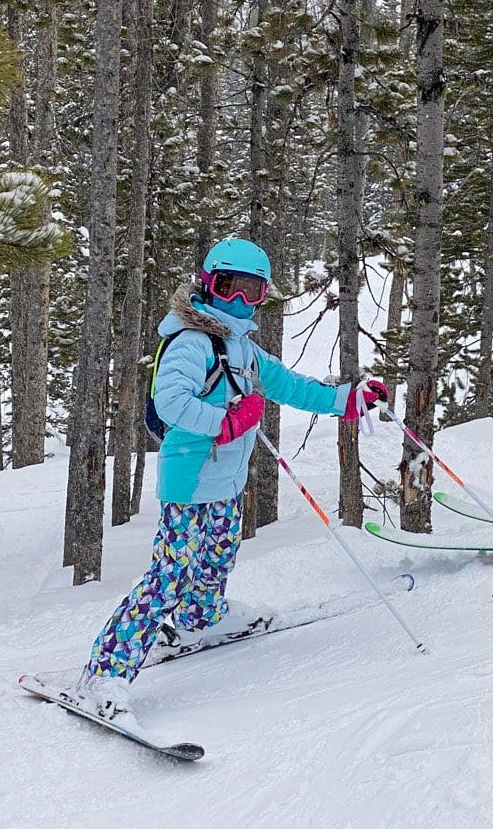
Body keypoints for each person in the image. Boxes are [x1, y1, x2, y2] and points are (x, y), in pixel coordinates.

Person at [76, 237, 388, 719]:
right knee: (170, 576)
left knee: (218, 559)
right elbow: (170, 403)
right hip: (191, 482)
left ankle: (201, 619)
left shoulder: (240, 345)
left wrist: (349, 400)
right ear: (207, 284)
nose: (239, 301)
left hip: (226, 481)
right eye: (229, 288)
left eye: (251, 291)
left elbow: (289, 386)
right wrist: (226, 422)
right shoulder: (190, 341)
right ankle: (105, 673)